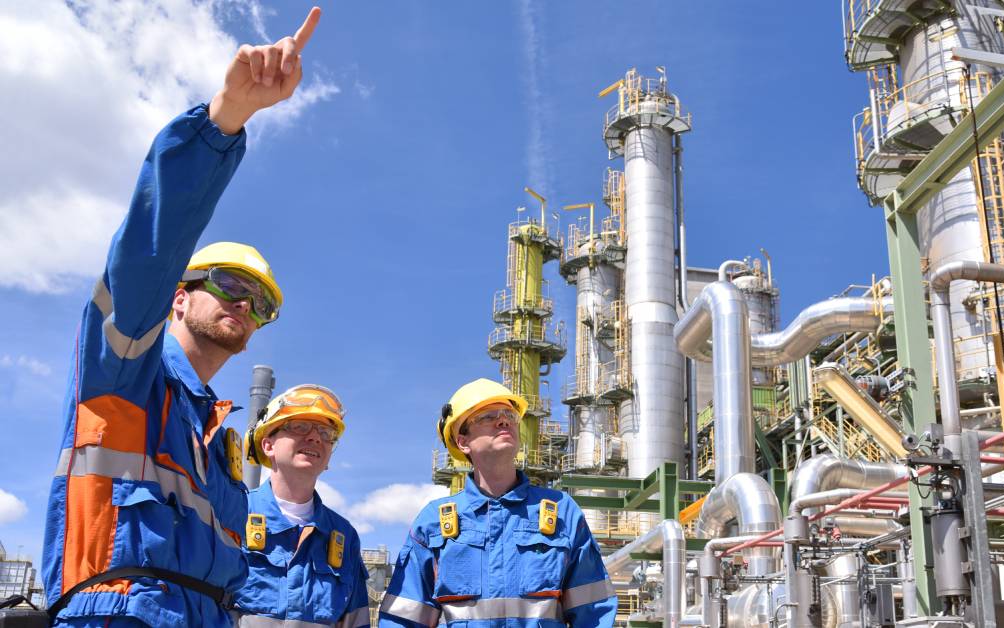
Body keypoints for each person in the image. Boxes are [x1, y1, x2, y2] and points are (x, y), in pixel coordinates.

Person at [40, 7, 322, 627]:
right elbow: (147, 250)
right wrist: (224, 122)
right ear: (176, 296)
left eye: (261, 303)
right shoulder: (125, 373)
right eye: (226, 284)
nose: (244, 305)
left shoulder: (220, 448)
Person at [379, 379, 617, 628]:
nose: (503, 421)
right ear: (463, 442)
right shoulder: (433, 523)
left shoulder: (561, 512)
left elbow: (594, 613)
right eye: (487, 416)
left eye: (510, 415)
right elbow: (403, 619)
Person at [234, 384, 369, 627]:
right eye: (299, 426)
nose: (315, 437)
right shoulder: (233, 511)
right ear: (268, 445)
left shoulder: (344, 536)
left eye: (326, 433)